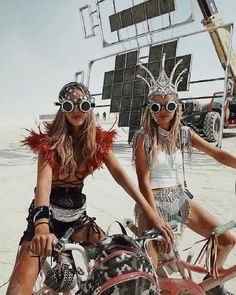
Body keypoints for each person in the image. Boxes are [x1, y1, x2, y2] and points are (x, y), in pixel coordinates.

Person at [6, 81, 173, 295]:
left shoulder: (97, 141)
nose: (76, 111)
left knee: (120, 262)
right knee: (16, 292)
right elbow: (44, 185)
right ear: (62, 109)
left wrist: (154, 217)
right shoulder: (50, 143)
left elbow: (122, 177)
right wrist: (41, 228)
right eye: (69, 106)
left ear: (90, 108)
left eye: (83, 105)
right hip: (45, 216)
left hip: (78, 218)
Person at [133, 54, 236, 295]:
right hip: (152, 203)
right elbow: (143, 182)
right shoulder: (143, 137)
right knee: (150, 267)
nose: (163, 112)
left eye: (169, 105)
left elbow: (218, 155)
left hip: (180, 200)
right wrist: (155, 219)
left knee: (227, 240)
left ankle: (213, 285)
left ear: (176, 106)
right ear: (150, 108)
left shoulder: (184, 134)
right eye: (156, 106)